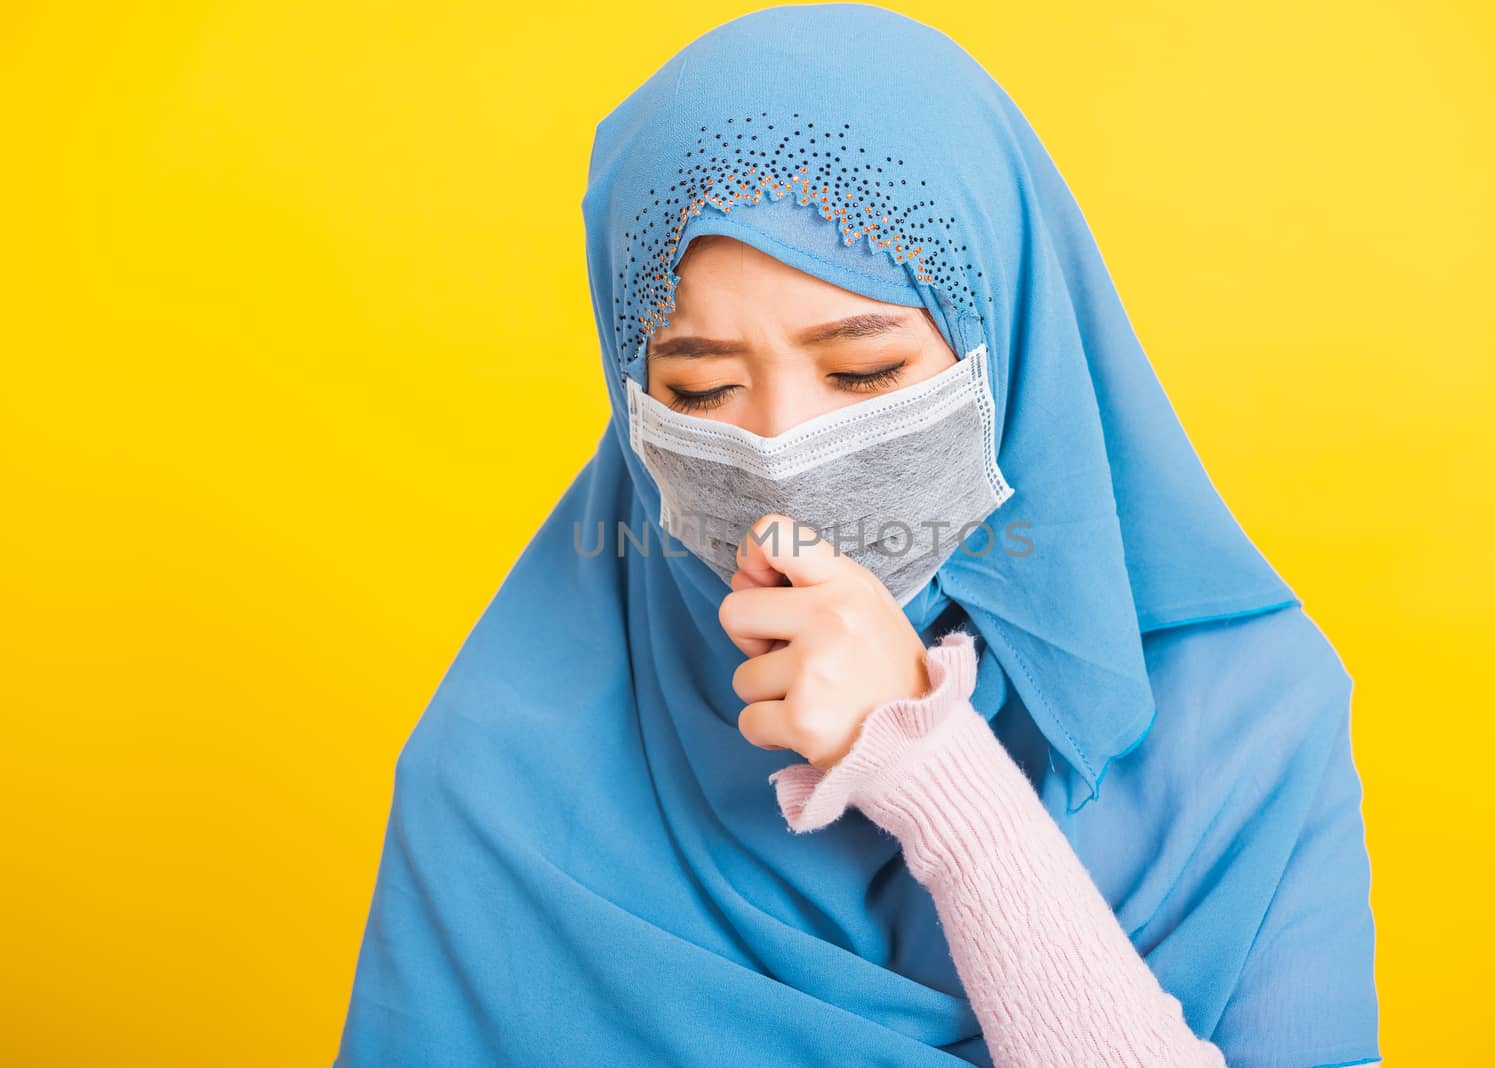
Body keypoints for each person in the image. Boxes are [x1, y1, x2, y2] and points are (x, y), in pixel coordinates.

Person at [335, 6, 1381, 1067]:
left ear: (1006, 341)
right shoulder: (499, 775)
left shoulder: (1250, 717)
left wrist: (934, 776)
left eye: (864, 373)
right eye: (700, 389)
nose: (782, 454)